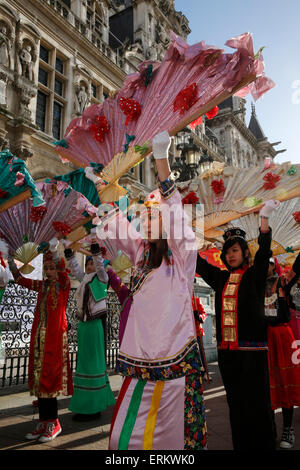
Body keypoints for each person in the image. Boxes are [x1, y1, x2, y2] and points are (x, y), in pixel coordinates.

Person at [96, 131, 207, 450]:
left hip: (174, 361)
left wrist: (161, 158)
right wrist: (100, 186)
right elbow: (117, 223)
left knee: (172, 439)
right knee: (123, 439)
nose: (148, 221)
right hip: (140, 359)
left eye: (154, 216)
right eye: (146, 217)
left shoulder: (182, 254)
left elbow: (176, 215)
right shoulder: (141, 252)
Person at [195, 201, 280, 450]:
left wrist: (264, 219)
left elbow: (264, 253)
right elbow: (200, 266)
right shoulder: (220, 278)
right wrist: (192, 241)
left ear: (244, 253)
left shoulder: (254, 275)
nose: (231, 254)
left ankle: (264, 446)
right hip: (228, 355)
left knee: (258, 405)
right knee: (237, 406)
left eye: (235, 250)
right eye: (228, 251)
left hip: (252, 354)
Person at [7, 238, 73, 442]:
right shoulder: (42, 286)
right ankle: (43, 422)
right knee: (40, 380)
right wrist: (9, 260)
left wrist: (55, 251)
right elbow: (20, 279)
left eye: (52, 268)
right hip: (39, 342)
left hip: (54, 342)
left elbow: (63, 271)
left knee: (50, 380)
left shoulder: (63, 285)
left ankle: (54, 423)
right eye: (46, 268)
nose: (50, 271)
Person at [64, 239, 115, 421]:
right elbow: (76, 269)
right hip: (84, 326)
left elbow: (101, 267)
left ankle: (94, 407)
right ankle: (85, 406)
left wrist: (96, 251)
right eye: (89, 263)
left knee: (93, 364)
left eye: (92, 262)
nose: (91, 265)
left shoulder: (102, 279)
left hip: (94, 326)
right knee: (84, 364)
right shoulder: (85, 279)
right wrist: (68, 252)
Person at [265, 258, 300, 449]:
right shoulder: (252, 283)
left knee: (285, 382)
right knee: (267, 384)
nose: (263, 266)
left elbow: (297, 269)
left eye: (267, 262)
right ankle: (270, 429)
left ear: (273, 265)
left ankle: (288, 429)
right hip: (263, 338)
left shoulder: (283, 281)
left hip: (282, 335)